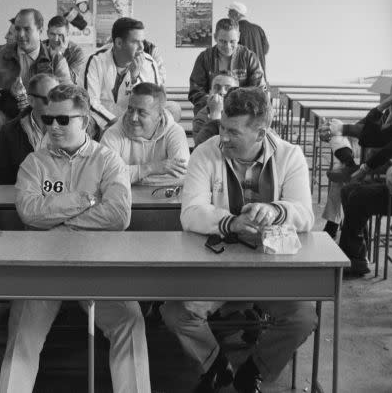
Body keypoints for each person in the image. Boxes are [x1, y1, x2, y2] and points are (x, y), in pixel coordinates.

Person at [161, 87, 316, 393]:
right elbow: (190, 212)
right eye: (221, 127)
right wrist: (231, 222)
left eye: (233, 131)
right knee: (177, 312)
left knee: (302, 317)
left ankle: (255, 369)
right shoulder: (206, 152)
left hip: (270, 265)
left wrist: (274, 211)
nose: (223, 138)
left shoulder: (290, 155)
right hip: (216, 265)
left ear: (261, 133)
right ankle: (216, 367)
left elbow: (305, 216)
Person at [0, 84, 150, 393]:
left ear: (85, 120)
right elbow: (29, 213)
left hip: (98, 264)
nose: (53, 126)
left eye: (63, 120)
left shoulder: (109, 161)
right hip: (43, 266)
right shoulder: (34, 163)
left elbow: (119, 216)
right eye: (48, 119)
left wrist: (55, 219)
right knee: (21, 334)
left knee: (130, 321)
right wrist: (84, 200)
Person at [335, 79, 392, 276]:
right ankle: (356, 255)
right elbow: (368, 138)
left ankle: (353, 259)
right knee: (348, 190)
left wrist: (367, 167)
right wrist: (382, 107)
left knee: (359, 196)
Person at [0, 8, 71, 153]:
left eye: (27, 29)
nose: (21, 35)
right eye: (17, 29)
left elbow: (68, 96)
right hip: (5, 117)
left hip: (43, 121)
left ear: (40, 30)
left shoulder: (56, 59)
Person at [83, 17, 164, 133]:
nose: (142, 47)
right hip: (104, 121)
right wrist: (114, 124)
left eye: (143, 42)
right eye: (135, 42)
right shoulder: (95, 61)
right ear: (119, 43)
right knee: (85, 122)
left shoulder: (149, 62)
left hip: (137, 118)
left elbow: (153, 101)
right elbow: (90, 102)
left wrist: (134, 78)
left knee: (173, 109)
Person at [100, 82, 190, 186]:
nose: (133, 118)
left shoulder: (175, 132)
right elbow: (104, 175)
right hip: (120, 200)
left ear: (159, 116)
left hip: (162, 200)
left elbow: (181, 177)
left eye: (142, 113)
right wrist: (150, 168)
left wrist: (129, 177)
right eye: (130, 110)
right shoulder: (113, 133)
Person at [0, 73, 58, 185]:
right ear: (31, 101)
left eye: (59, 98)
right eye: (49, 99)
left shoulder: (70, 128)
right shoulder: (10, 132)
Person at [188, 18, 265, 115]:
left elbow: (258, 91)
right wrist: (213, 102)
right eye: (223, 41)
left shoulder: (249, 57)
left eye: (232, 41)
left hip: (241, 115)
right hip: (209, 112)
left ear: (239, 37)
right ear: (215, 37)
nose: (228, 46)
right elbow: (195, 91)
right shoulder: (204, 58)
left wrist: (236, 105)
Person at [192, 72, 239, 146]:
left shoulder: (245, 114)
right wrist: (215, 114)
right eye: (217, 88)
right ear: (210, 92)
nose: (222, 92)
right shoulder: (201, 116)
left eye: (228, 88)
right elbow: (201, 147)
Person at [44, 15, 87, 83]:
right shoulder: (40, 47)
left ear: (67, 34)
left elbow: (72, 80)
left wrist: (59, 55)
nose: (56, 39)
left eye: (60, 35)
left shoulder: (77, 52)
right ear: (47, 33)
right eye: (52, 34)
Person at [228, 2, 269, 72]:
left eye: (230, 13)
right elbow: (265, 48)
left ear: (237, 14)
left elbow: (228, 51)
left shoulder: (233, 30)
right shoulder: (258, 29)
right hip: (259, 73)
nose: (228, 15)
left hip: (241, 75)